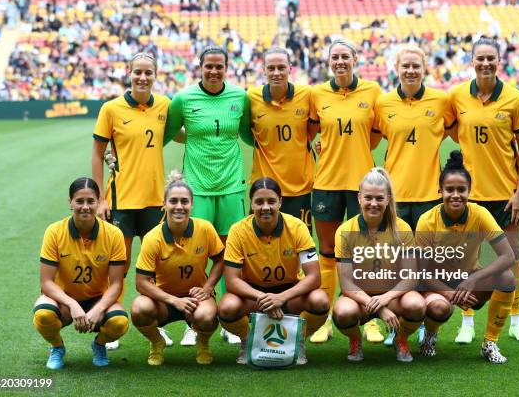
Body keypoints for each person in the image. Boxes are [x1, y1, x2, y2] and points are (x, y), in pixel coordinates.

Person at [445, 37, 519, 344]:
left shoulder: (514, 98)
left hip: (506, 195)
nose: (485, 63)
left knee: (513, 256)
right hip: (469, 196)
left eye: (490, 58)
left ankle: (516, 321)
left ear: (499, 61)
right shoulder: (457, 96)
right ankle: (467, 323)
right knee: (466, 260)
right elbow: (440, 129)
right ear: (472, 61)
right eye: (479, 58)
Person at [164, 46, 253, 346]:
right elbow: (166, 133)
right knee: (197, 253)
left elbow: (249, 134)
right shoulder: (184, 99)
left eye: (220, 66)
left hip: (231, 187)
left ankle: (230, 318)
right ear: (199, 67)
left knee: (232, 253)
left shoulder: (240, 97)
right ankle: (195, 317)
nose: (214, 71)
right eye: (209, 66)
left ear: (228, 68)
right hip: (198, 188)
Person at [373, 45, 453, 346]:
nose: (410, 71)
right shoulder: (383, 103)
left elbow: (453, 133)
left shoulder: (441, 101)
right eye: (405, 65)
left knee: (425, 265)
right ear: (396, 67)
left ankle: (424, 325)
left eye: (416, 66)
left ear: (425, 68)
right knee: (393, 265)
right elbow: (370, 137)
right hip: (394, 197)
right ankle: (396, 324)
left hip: (429, 196)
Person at [91, 52, 172, 349]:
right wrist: (100, 198)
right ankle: (112, 319)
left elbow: (178, 134)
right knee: (119, 267)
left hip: (155, 200)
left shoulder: (164, 105)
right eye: (137, 72)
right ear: (129, 72)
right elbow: (98, 154)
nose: (142, 77)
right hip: (121, 199)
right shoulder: (111, 109)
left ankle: (156, 323)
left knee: (157, 267)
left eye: (148, 72)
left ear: (155, 74)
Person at [308, 39, 383, 344]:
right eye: (334, 57)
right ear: (329, 62)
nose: (340, 62)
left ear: (355, 59)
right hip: (326, 182)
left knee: (366, 253)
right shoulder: (317, 94)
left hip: (362, 186)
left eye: (345, 57)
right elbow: (310, 131)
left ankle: (370, 319)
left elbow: (375, 137)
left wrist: (354, 153)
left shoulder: (372, 91)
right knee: (327, 251)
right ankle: (325, 318)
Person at [415, 150, 517, 363]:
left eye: (461, 190)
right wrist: (449, 294)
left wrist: (474, 279)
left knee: (507, 278)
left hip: (469, 281)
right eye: (449, 190)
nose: (455, 195)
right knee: (439, 307)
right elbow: (419, 273)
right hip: (436, 284)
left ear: (470, 191)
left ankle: (490, 343)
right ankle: (430, 336)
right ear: (440, 191)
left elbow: (508, 256)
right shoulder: (427, 221)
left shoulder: (480, 214)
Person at [218, 177, 329, 365]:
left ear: (280, 202)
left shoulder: (297, 227)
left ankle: (297, 340)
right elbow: (232, 281)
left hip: (289, 293)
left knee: (320, 301)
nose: (265, 207)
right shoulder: (238, 231)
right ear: (251, 203)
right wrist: (263, 297)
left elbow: (314, 277)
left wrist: (281, 297)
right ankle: (248, 340)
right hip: (253, 295)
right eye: (259, 202)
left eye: (271, 201)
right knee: (226, 307)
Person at [33, 178, 129, 369]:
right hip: (64, 300)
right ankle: (57, 347)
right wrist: (72, 304)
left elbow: (117, 284)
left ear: (98, 201)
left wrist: (98, 309)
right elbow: (46, 283)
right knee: (43, 314)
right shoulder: (54, 232)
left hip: (98, 298)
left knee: (119, 322)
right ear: (70, 202)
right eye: (79, 201)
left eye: (90, 201)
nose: (85, 207)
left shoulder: (113, 234)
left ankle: (99, 345)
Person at [131, 171, 224, 365]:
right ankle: (157, 342)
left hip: (197, 299)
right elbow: (141, 283)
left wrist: (207, 289)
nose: (179, 207)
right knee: (139, 308)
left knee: (207, 317)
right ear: (164, 205)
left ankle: (203, 342)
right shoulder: (153, 238)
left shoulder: (205, 228)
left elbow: (220, 260)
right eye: (173, 201)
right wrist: (174, 301)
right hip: (163, 301)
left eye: (184, 201)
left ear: (192, 204)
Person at [333, 168, 425, 362]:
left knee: (417, 305)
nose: (373, 203)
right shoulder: (345, 230)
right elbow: (346, 284)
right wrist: (378, 307)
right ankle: (355, 338)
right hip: (359, 299)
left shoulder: (402, 228)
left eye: (379, 198)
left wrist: (386, 298)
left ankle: (401, 339)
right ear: (359, 198)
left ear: (388, 199)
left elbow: (411, 277)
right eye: (368, 198)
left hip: (393, 296)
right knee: (342, 312)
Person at [247, 47, 315, 232]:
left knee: (299, 245)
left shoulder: (307, 95)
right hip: (264, 187)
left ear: (289, 69)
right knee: (258, 244)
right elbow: (245, 131)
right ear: (264, 70)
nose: (276, 73)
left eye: (281, 67)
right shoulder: (251, 98)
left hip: (299, 187)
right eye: (271, 68)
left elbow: (318, 125)